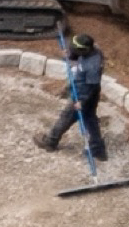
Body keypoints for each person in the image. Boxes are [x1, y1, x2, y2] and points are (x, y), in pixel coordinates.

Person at [38, 31, 108, 161]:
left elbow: (91, 86)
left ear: (84, 50)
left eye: (75, 49)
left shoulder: (92, 66)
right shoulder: (91, 50)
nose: (72, 50)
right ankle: (98, 151)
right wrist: (70, 55)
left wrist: (81, 101)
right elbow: (77, 56)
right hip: (84, 90)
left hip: (84, 94)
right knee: (90, 119)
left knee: (66, 116)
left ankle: (50, 142)